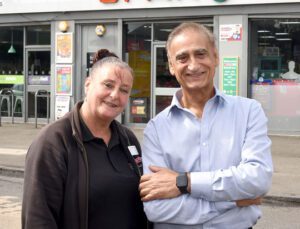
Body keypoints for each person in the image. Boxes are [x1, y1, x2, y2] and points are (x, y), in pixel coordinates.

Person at [139, 22, 273, 229]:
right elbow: (156, 208)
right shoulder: (156, 129)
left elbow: (257, 180)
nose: (193, 65)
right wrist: (234, 200)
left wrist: (185, 182)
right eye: (182, 57)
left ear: (215, 58)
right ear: (172, 67)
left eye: (201, 54)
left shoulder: (248, 112)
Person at [22, 49, 148, 229]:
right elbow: (38, 219)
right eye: (108, 85)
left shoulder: (128, 139)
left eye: (124, 90)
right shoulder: (54, 142)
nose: (115, 95)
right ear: (88, 85)